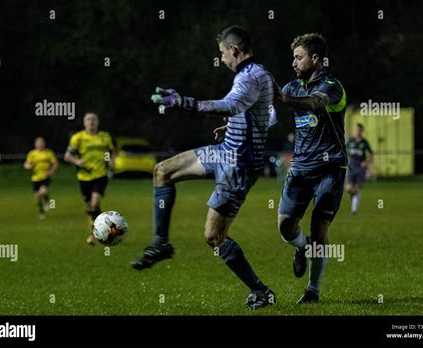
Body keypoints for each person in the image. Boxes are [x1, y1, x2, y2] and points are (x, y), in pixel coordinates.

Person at [131, 26, 277, 309]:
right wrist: (234, 126)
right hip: (224, 152)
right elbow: (267, 111)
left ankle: (261, 291)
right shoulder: (262, 73)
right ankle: (161, 243)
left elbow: (231, 104)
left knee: (213, 236)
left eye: (222, 53)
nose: (221, 59)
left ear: (234, 50)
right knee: (162, 171)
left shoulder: (249, 76)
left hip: (239, 165)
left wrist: (184, 102)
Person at [276, 33, 347, 303]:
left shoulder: (333, 86)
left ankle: (312, 291)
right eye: (293, 57)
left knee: (319, 226)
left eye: (298, 57)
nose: (293, 62)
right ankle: (302, 247)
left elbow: (315, 102)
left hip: (330, 168)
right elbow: (268, 113)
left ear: (315, 59)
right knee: (284, 226)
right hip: (301, 168)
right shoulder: (292, 87)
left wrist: (284, 100)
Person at [64, 112, 115, 245]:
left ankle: (95, 233)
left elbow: (110, 152)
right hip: (84, 176)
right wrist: (77, 162)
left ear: (97, 122)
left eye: (93, 119)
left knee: (95, 203)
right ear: (84, 122)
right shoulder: (78, 138)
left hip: (100, 175)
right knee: (89, 207)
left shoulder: (105, 137)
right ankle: (95, 228)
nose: (91, 121)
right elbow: (67, 156)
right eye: (88, 119)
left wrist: (110, 161)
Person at [24, 137, 58, 220]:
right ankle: (41, 211)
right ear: (35, 144)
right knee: (37, 197)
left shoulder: (48, 153)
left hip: (45, 176)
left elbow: (55, 164)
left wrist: (51, 171)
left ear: (44, 144)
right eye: (38, 143)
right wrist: (28, 166)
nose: (40, 144)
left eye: (41, 143)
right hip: (35, 178)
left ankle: (47, 201)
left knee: (43, 191)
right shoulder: (32, 154)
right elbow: (26, 164)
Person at [345, 123, 373, 214]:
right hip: (351, 167)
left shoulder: (364, 142)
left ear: (362, 131)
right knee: (349, 188)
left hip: (360, 168)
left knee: (356, 187)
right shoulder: (350, 141)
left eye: (359, 130)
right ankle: (356, 197)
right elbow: (343, 150)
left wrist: (366, 164)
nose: (358, 131)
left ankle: (354, 209)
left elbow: (371, 154)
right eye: (356, 130)